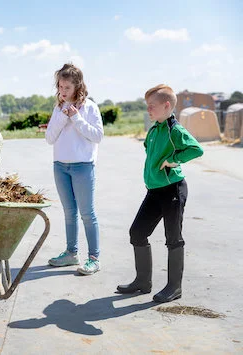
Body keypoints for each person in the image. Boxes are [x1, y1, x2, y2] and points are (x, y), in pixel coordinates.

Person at [117, 84, 203, 303]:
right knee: (137, 232)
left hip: (172, 189)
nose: (148, 110)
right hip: (154, 191)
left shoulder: (176, 130)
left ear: (166, 106)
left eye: (151, 106)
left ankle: (175, 287)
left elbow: (196, 149)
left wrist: (174, 160)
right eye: (147, 106)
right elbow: (149, 148)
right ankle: (143, 282)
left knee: (173, 238)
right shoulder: (154, 128)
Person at [45, 63, 104, 275]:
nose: (62, 91)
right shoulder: (58, 109)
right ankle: (71, 254)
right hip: (60, 167)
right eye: (60, 86)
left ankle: (94, 258)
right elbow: (49, 138)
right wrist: (63, 115)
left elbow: (97, 136)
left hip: (83, 166)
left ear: (78, 86)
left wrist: (76, 118)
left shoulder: (90, 107)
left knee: (87, 213)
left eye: (67, 87)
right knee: (69, 213)